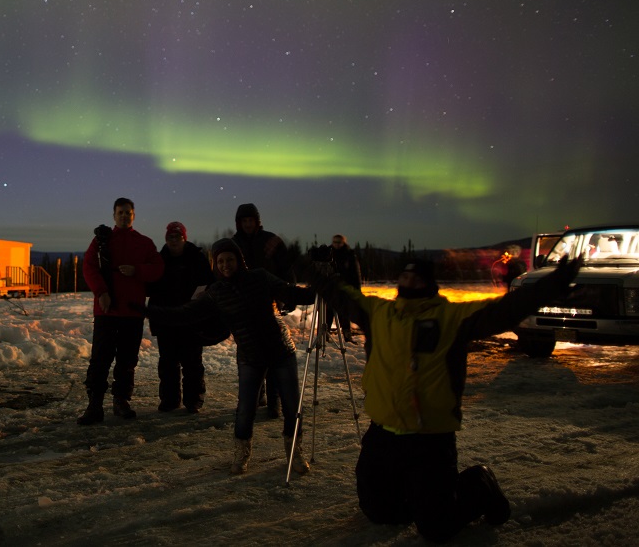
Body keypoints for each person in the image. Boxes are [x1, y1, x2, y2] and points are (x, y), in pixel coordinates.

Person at [304, 255, 582, 542]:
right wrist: (307, 268)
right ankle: (418, 495)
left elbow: (505, 310)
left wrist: (551, 285)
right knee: (380, 512)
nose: (408, 281)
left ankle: (479, 484)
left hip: (430, 440)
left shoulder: (450, 318)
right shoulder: (379, 312)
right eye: (404, 276)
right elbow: (340, 294)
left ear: (429, 283)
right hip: (382, 434)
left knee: (436, 528)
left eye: (416, 277)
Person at [144, 238, 315, 476]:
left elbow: (290, 293)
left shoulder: (260, 277)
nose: (225, 265)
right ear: (216, 264)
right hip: (250, 356)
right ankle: (242, 453)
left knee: (291, 406)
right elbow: (184, 314)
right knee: (246, 409)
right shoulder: (216, 293)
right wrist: (148, 311)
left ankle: (295, 451)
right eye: (220, 261)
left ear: (239, 260)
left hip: (280, 350)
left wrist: (319, 288)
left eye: (230, 259)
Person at [77, 197, 164, 425]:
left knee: (127, 360)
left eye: (128, 212)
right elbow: (89, 267)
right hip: (107, 310)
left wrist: (137, 270)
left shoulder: (144, 243)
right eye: (120, 212)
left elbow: (157, 268)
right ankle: (94, 404)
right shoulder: (102, 241)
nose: (125, 216)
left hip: (133, 312)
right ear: (114, 215)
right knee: (100, 359)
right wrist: (101, 292)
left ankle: (121, 401)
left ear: (134, 215)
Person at [232, 203, 296, 418]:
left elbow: (286, 269)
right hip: (243, 307)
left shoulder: (271, 241)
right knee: (248, 353)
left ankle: (274, 402)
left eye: (251, 220)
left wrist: (289, 295)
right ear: (239, 223)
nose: (248, 224)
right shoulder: (234, 243)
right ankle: (253, 396)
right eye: (244, 221)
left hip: (269, 305)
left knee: (273, 353)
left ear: (257, 221)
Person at [147, 221, 215, 414]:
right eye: (170, 237)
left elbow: (209, 284)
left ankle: (193, 401)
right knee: (168, 362)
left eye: (178, 237)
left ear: (185, 238)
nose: (174, 240)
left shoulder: (197, 258)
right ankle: (169, 400)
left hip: (191, 319)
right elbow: (151, 286)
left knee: (192, 362)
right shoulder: (160, 259)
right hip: (166, 320)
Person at [327, 234, 362, 342]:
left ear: (343, 243)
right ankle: (325, 332)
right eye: (335, 242)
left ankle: (347, 333)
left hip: (344, 287)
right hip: (330, 286)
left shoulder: (349, 254)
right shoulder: (328, 253)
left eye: (339, 242)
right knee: (328, 311)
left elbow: (355, 273)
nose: (337, 244)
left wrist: (356, 290)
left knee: (344, 312)